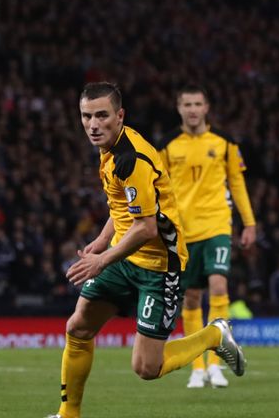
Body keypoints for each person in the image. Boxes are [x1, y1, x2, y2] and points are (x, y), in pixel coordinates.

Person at [47, 82, 245, 418]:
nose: (93, 124)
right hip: (123, 257)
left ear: (119, 115)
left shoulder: (130, 158)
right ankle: (69, 414)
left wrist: (100, 260)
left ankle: (214, 334)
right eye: (86, 116)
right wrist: (101, 239)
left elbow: (146, 227)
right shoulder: (109, 147)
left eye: (101, 116)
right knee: (78, 328)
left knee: (146, 367)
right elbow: (124, 208)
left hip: (158, 265)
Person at [157, 84, 257, 388]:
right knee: (190, 297)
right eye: (186, 104)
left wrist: (249, 223)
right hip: (183, 231)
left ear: (206, 107)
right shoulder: (167, 145)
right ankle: (197, 366)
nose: (192, 109)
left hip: (217, 225)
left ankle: (216, 363)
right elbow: (158, 189)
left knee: (218, 284)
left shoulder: (225, 142)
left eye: (197, 103)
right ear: (178, 108)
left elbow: (237, 184)